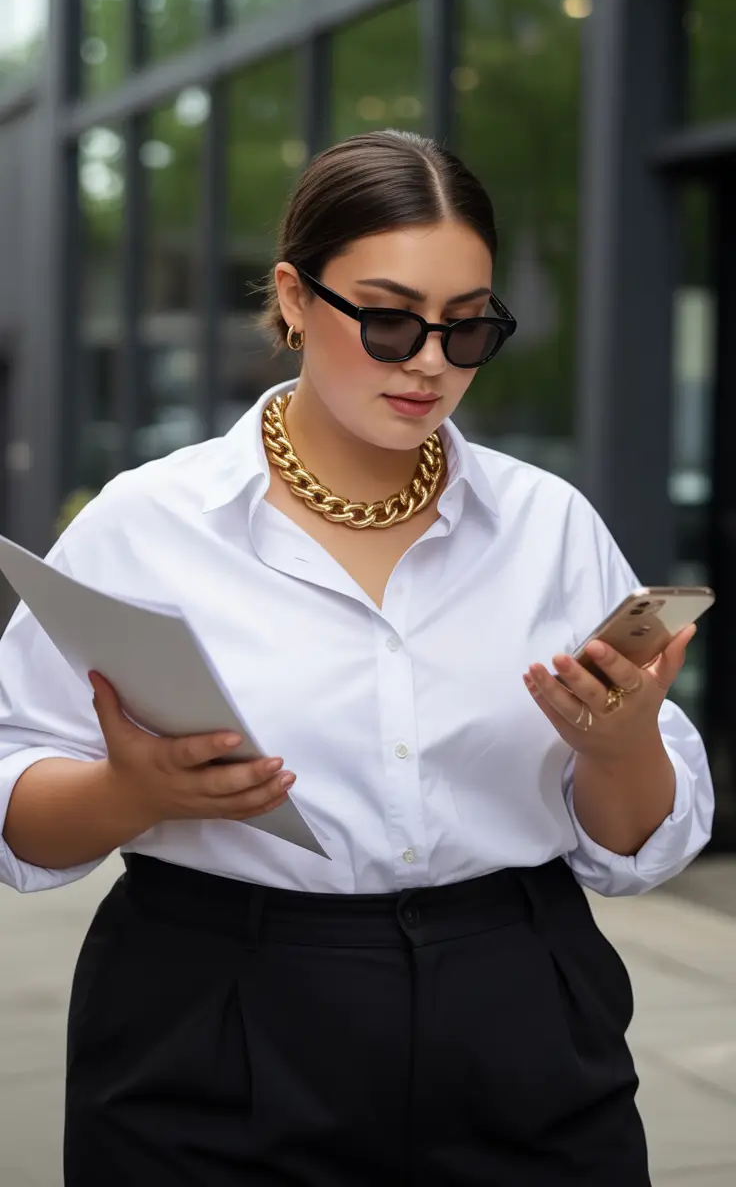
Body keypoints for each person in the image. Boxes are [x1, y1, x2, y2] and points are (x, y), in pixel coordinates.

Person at [0, 129, 713, 1187]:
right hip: (214, 1012)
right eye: (387, 319)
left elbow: (633, 849)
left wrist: (616, 750)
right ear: (294, 297)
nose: (429, 360)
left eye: (466, 329)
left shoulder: (546, 524)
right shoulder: (150, 522)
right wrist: (126, 789)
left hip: (516, 1007)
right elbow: (14, 786)